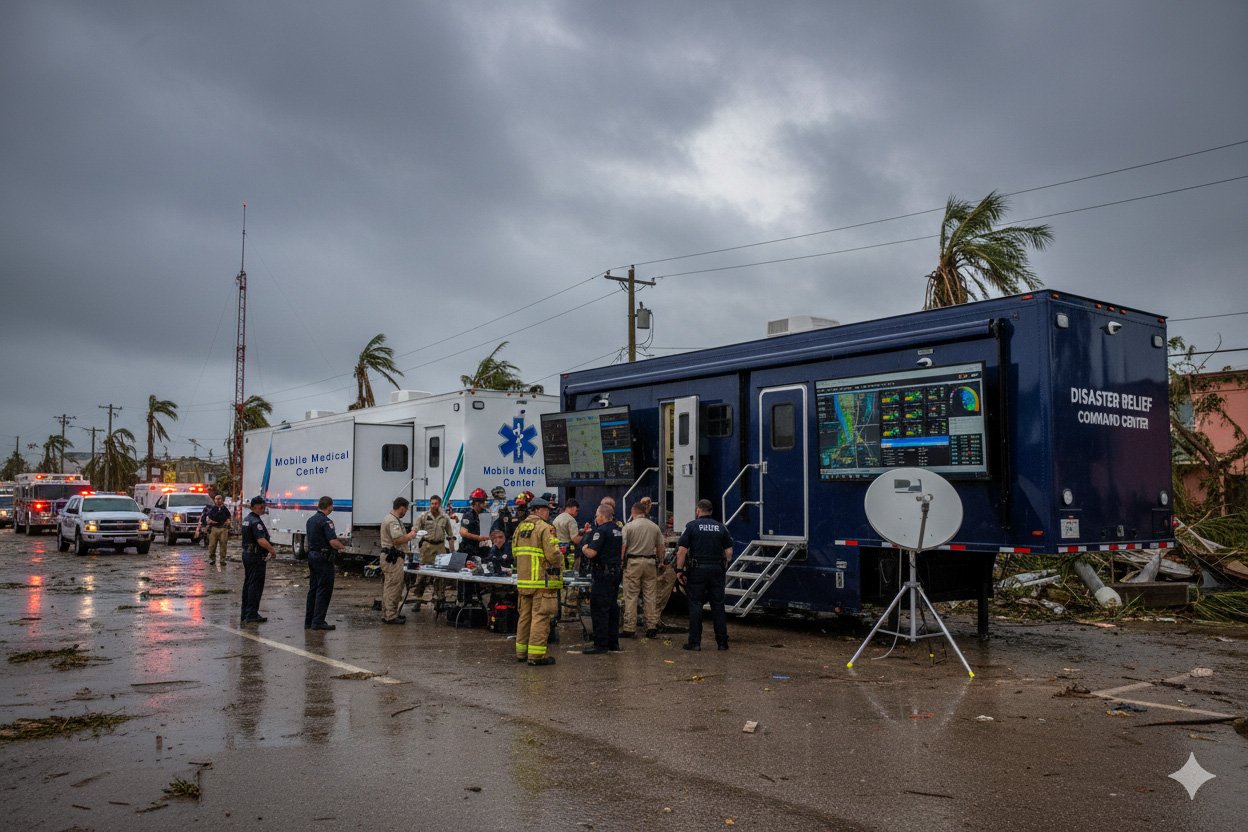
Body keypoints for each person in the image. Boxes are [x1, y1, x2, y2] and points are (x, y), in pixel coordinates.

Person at [675, 499, 734, 651]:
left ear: (698, 510)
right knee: (718, 606)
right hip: (716, 570)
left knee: (695, 605)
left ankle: (695, 643)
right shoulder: (721, 528)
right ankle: (722, 643)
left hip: (697, 571)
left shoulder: (691, 526)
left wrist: (679, 570)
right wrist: (722, 567)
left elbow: (682, 551)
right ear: (711, 511)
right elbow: (729, 552)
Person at [511, 496, 562, 666]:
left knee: (524, 617)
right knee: (540, 617)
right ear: (539, 510)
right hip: (542, 581)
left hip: (524, 581)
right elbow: (553, 555)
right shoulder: (545, 528)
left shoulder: (519, 528)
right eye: (547, 510)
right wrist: (562, 562)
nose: (549, 513)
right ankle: (536, 656)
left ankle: (521, 653)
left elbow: (514, 552)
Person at [581, 504, 624, 654]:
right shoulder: (617, 530)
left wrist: (584, 548)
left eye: (596, 515)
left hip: (603, 575)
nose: (596, 518)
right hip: (615, 573)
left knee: (599, 609)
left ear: (601, 516)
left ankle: (600, 644)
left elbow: (592, 553)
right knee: (612, 608)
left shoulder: (601, 531)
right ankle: (613, 642)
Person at [620, 501, 664, 639]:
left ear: (633, 512)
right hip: (650, 563)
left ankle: (629, 628)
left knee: (631, 596)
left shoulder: (629, 526)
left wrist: (621, 561)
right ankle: (651, 626)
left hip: (633, 563)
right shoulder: (655, 527)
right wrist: (661, 561)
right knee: (650, 595)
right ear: (644, 512)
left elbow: (623, 547)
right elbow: (660, 547)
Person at [305, 496, 348, 631]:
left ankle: (309, 621)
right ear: (329, 506)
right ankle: (318, 621)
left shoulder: (310, 520)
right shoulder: (326, 521)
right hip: (324, 559)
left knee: (313, 589)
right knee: (324, 590)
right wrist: (342, 547)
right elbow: (332, 541)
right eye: (332, 506)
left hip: (312, 556)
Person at [380, 497, 420, 625]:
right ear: (401, 508)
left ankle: (387, 613)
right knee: (394, 587)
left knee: (388, 586)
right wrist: (411, 535)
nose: (405, 512)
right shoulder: (393, 521)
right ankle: (391, 615)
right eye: (406, 510)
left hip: (391, 557)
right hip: (393, 558)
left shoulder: (391, 519)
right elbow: (397, 539)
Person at [412, 494, 455, 610]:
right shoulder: (424, 516)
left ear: (439, 504)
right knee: (422, 575)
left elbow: (450, 535)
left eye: (436, 504)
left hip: (440, 548)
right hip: (427, 547)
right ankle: (418, 599)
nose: (433, 506)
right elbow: (415, 530)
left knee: (440, 575)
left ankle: (439, 599)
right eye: (432, 503)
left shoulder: (444, 518)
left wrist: (453, 552)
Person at [239, 496, 276, 624]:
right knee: (255, 585)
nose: (263, 509)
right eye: (262, 507)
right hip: (255, 556)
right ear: (255, 507)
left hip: (248, 554)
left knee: (249, 584)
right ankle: (251, 614)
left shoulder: (247, 519)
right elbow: (261, 540)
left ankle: (245, 613)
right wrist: (272, 550)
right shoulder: (255, 521)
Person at [458, 488, 491, 558]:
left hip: (482, 550)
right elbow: (463, 532)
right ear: (477, 503)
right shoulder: (468, 516)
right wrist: (478, 538)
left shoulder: (486, 514)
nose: (485, 504)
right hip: (468, 550)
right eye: (484, 502)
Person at [552, 499, 583, 572]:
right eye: (577, 510)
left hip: (557, 549)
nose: (577, 513)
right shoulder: (571, 520)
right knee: (570, 572)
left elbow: (562, 532)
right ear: (571, 507)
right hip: (569, 552)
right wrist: (585, 536)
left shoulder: (557, 518)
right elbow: (575, 539)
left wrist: (581, 531)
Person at [204, 493, 232, 562]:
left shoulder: (225, 509)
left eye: (219, 499)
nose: (218, 501)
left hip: (223, 528)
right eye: (216, 499)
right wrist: (210, 522)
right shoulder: (213, 508)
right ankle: (212, 558)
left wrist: (228, 522)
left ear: (222, 500)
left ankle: (222, 560)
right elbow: (208, 518)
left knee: (223, 544)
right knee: (212, 545)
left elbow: (228, 517)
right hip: (214, 528)